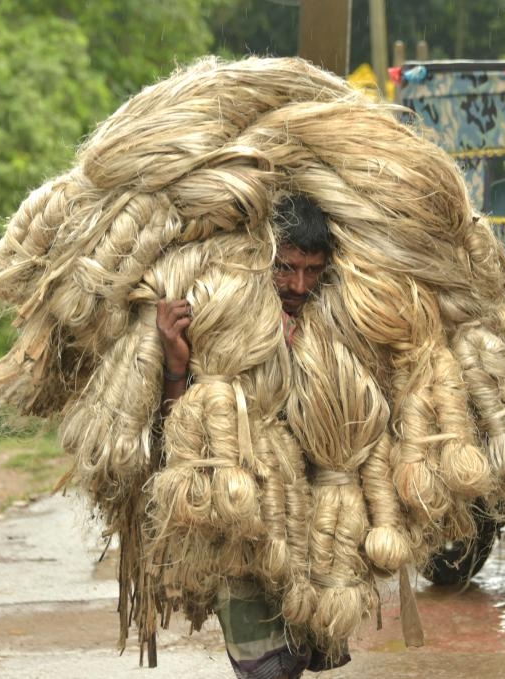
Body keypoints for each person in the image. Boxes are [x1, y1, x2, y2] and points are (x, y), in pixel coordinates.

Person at [155, 194, 344, 679]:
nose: (298, 284)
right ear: (266, 256)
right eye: (287, 268)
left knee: (299, 657)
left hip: (306, 523)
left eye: (312, 270)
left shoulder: (329, 327)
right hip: (239, 526)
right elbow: (182, 432)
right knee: (265, 670)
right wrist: (177, 365)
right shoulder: (223, 322)